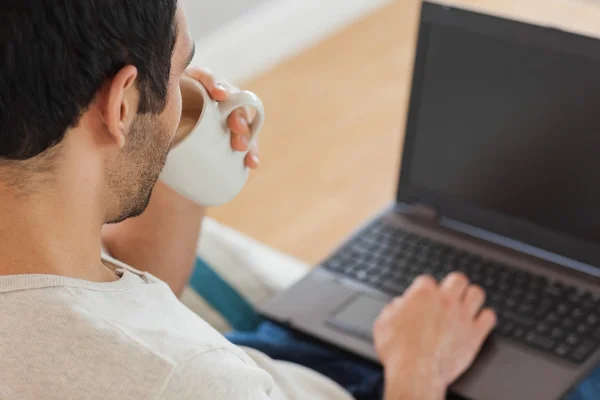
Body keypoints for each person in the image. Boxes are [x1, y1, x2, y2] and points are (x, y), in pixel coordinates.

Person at [0, 1, 597, 399]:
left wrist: (173, 138)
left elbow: (96, 310)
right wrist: (418, 370)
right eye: (179, 66)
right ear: (122, 103)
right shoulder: (184, 379)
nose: (189, 85)